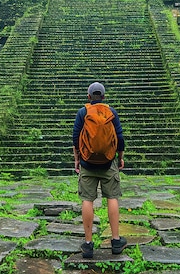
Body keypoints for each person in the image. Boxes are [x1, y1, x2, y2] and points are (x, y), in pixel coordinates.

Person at [73, 81, 127, 258]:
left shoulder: (83, 112)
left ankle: (88, 244)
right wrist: (120, 158)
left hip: (87, 163)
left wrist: (77, 160)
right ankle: (116, 240)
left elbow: (75, 138)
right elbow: (119, 137)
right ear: (103, 97)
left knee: (87, 200)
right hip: (108, 161)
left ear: (89, 97)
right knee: (112, 197)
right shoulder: (111, 112)